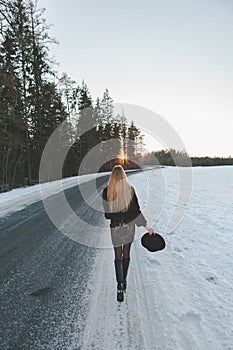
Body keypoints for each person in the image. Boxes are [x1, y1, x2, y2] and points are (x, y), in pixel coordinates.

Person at [102, 164, 154, 302]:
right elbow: (136, 211)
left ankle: (119, 286)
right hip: (129, 229)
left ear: (112, 177)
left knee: (117, 256)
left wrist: (117, 216)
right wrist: (145, 226)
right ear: (124, 176)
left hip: (115, 229)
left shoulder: (107, 191)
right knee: (127, 254)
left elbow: (107, 215)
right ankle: (124, 281)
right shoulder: (130, 190)